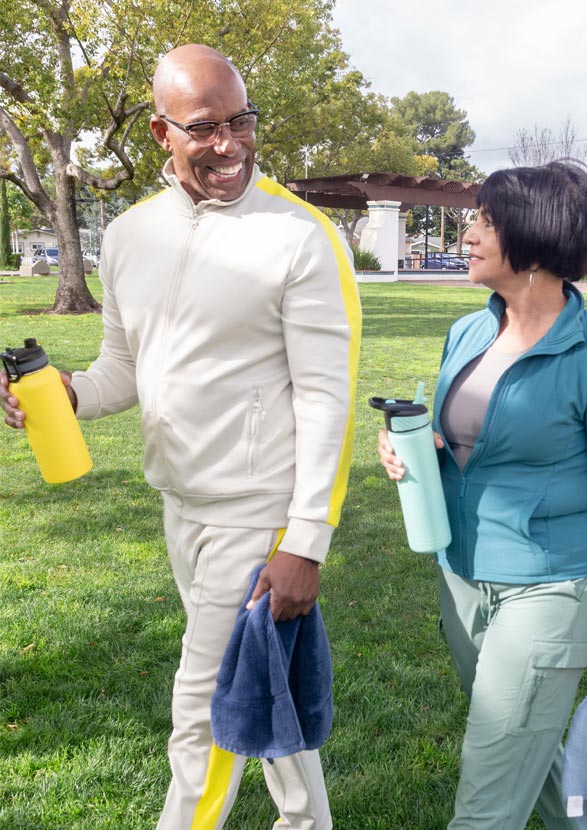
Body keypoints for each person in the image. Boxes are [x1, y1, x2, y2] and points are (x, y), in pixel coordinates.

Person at [1, 44, 361, 830]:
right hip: (179, 504)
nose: (228, 144)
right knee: (255, 678)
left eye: (241, 122)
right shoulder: (129, 236)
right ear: (163, 133)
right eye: (204, 128)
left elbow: (329, 399)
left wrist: (307, 540)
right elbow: (123, 368)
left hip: (257, 512)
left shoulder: (300, 238)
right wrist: (67, 393)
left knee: (200, 712)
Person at [378, 162, 587, 829]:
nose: (468, 235)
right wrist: (411, 452)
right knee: (526, 749)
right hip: (462, 577)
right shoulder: (470, 332)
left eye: (484, 221)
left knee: (488, 794)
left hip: (550, 588)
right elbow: (463, 442)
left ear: (532, 237)